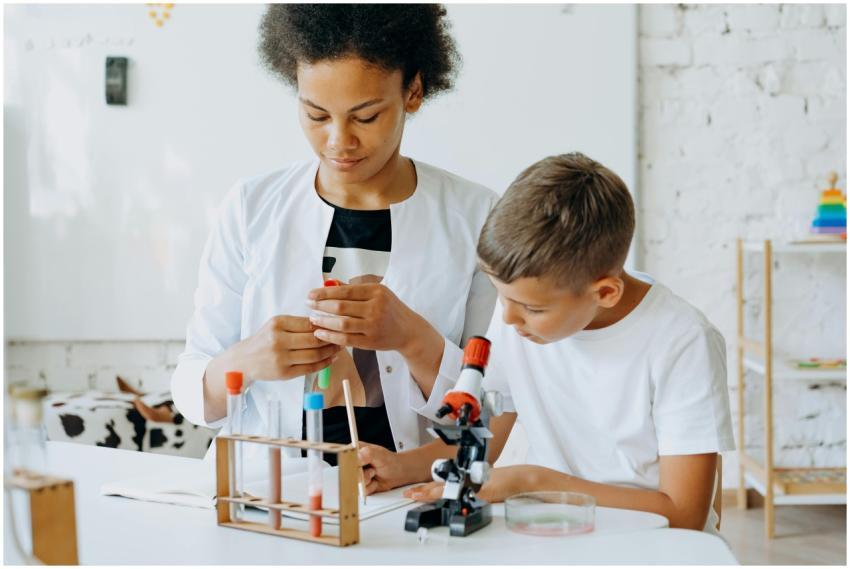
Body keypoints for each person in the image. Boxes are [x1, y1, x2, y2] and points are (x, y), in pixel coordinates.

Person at [171, 4, 497, 467]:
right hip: (270, 495)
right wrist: (246, 360)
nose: (338, 141)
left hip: (409, 498)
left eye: (365, 117)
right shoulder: (251, 207)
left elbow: (495, 406)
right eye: (316, 114)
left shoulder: (477, 217)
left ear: (414, 91)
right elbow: (191, 391)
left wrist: (412, 338)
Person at [401, 153, 735, 533]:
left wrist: (533, 482)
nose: (508, 318)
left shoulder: (683, 341)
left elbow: (685, 515)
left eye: (530, 307)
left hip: (652, 545)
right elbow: (484, 438)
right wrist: (398, 467)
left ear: (605, 292)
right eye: (501, 296)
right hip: (559, 532)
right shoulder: (520, 314)